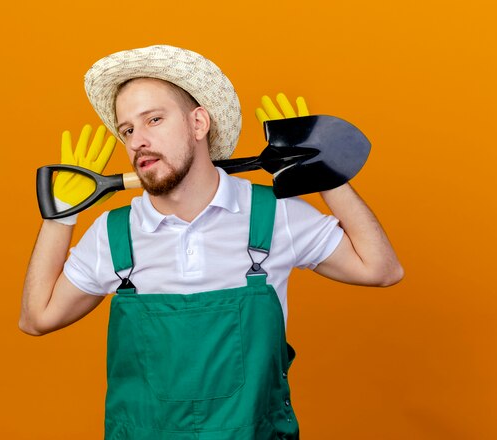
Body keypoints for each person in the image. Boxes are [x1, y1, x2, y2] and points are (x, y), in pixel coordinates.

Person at [20, 45, 403, 439]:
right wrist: (60, 217)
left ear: (198, 122)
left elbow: (382, 269)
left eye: (154, 119)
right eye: (128, 130)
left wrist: (322, 174)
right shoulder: (114, 233)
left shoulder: (272, 215)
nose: (138, 141)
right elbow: (37, 318)